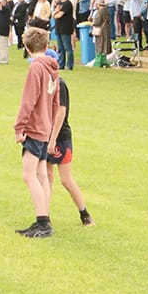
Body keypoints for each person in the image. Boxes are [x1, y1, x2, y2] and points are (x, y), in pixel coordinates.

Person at [12, 27, 60, 238]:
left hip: (35, 127)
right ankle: (44, 217)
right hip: (46, 126)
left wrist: (19, 127)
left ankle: (43, 222)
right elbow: (55, 102)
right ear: (46, 46)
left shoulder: (36, 68)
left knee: (29, 175)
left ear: (27, 47)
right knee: (41, 175)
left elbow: (28, 100)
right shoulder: (53, 68)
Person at [46, 78, 92, 227]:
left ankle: (85, 214)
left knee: (66, 180)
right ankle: (44, 217)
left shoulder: (59, 84)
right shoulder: (43, 82)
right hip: (45, 134)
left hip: (61, 137)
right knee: (47, 177)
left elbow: (61, 112)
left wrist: (53, 139)